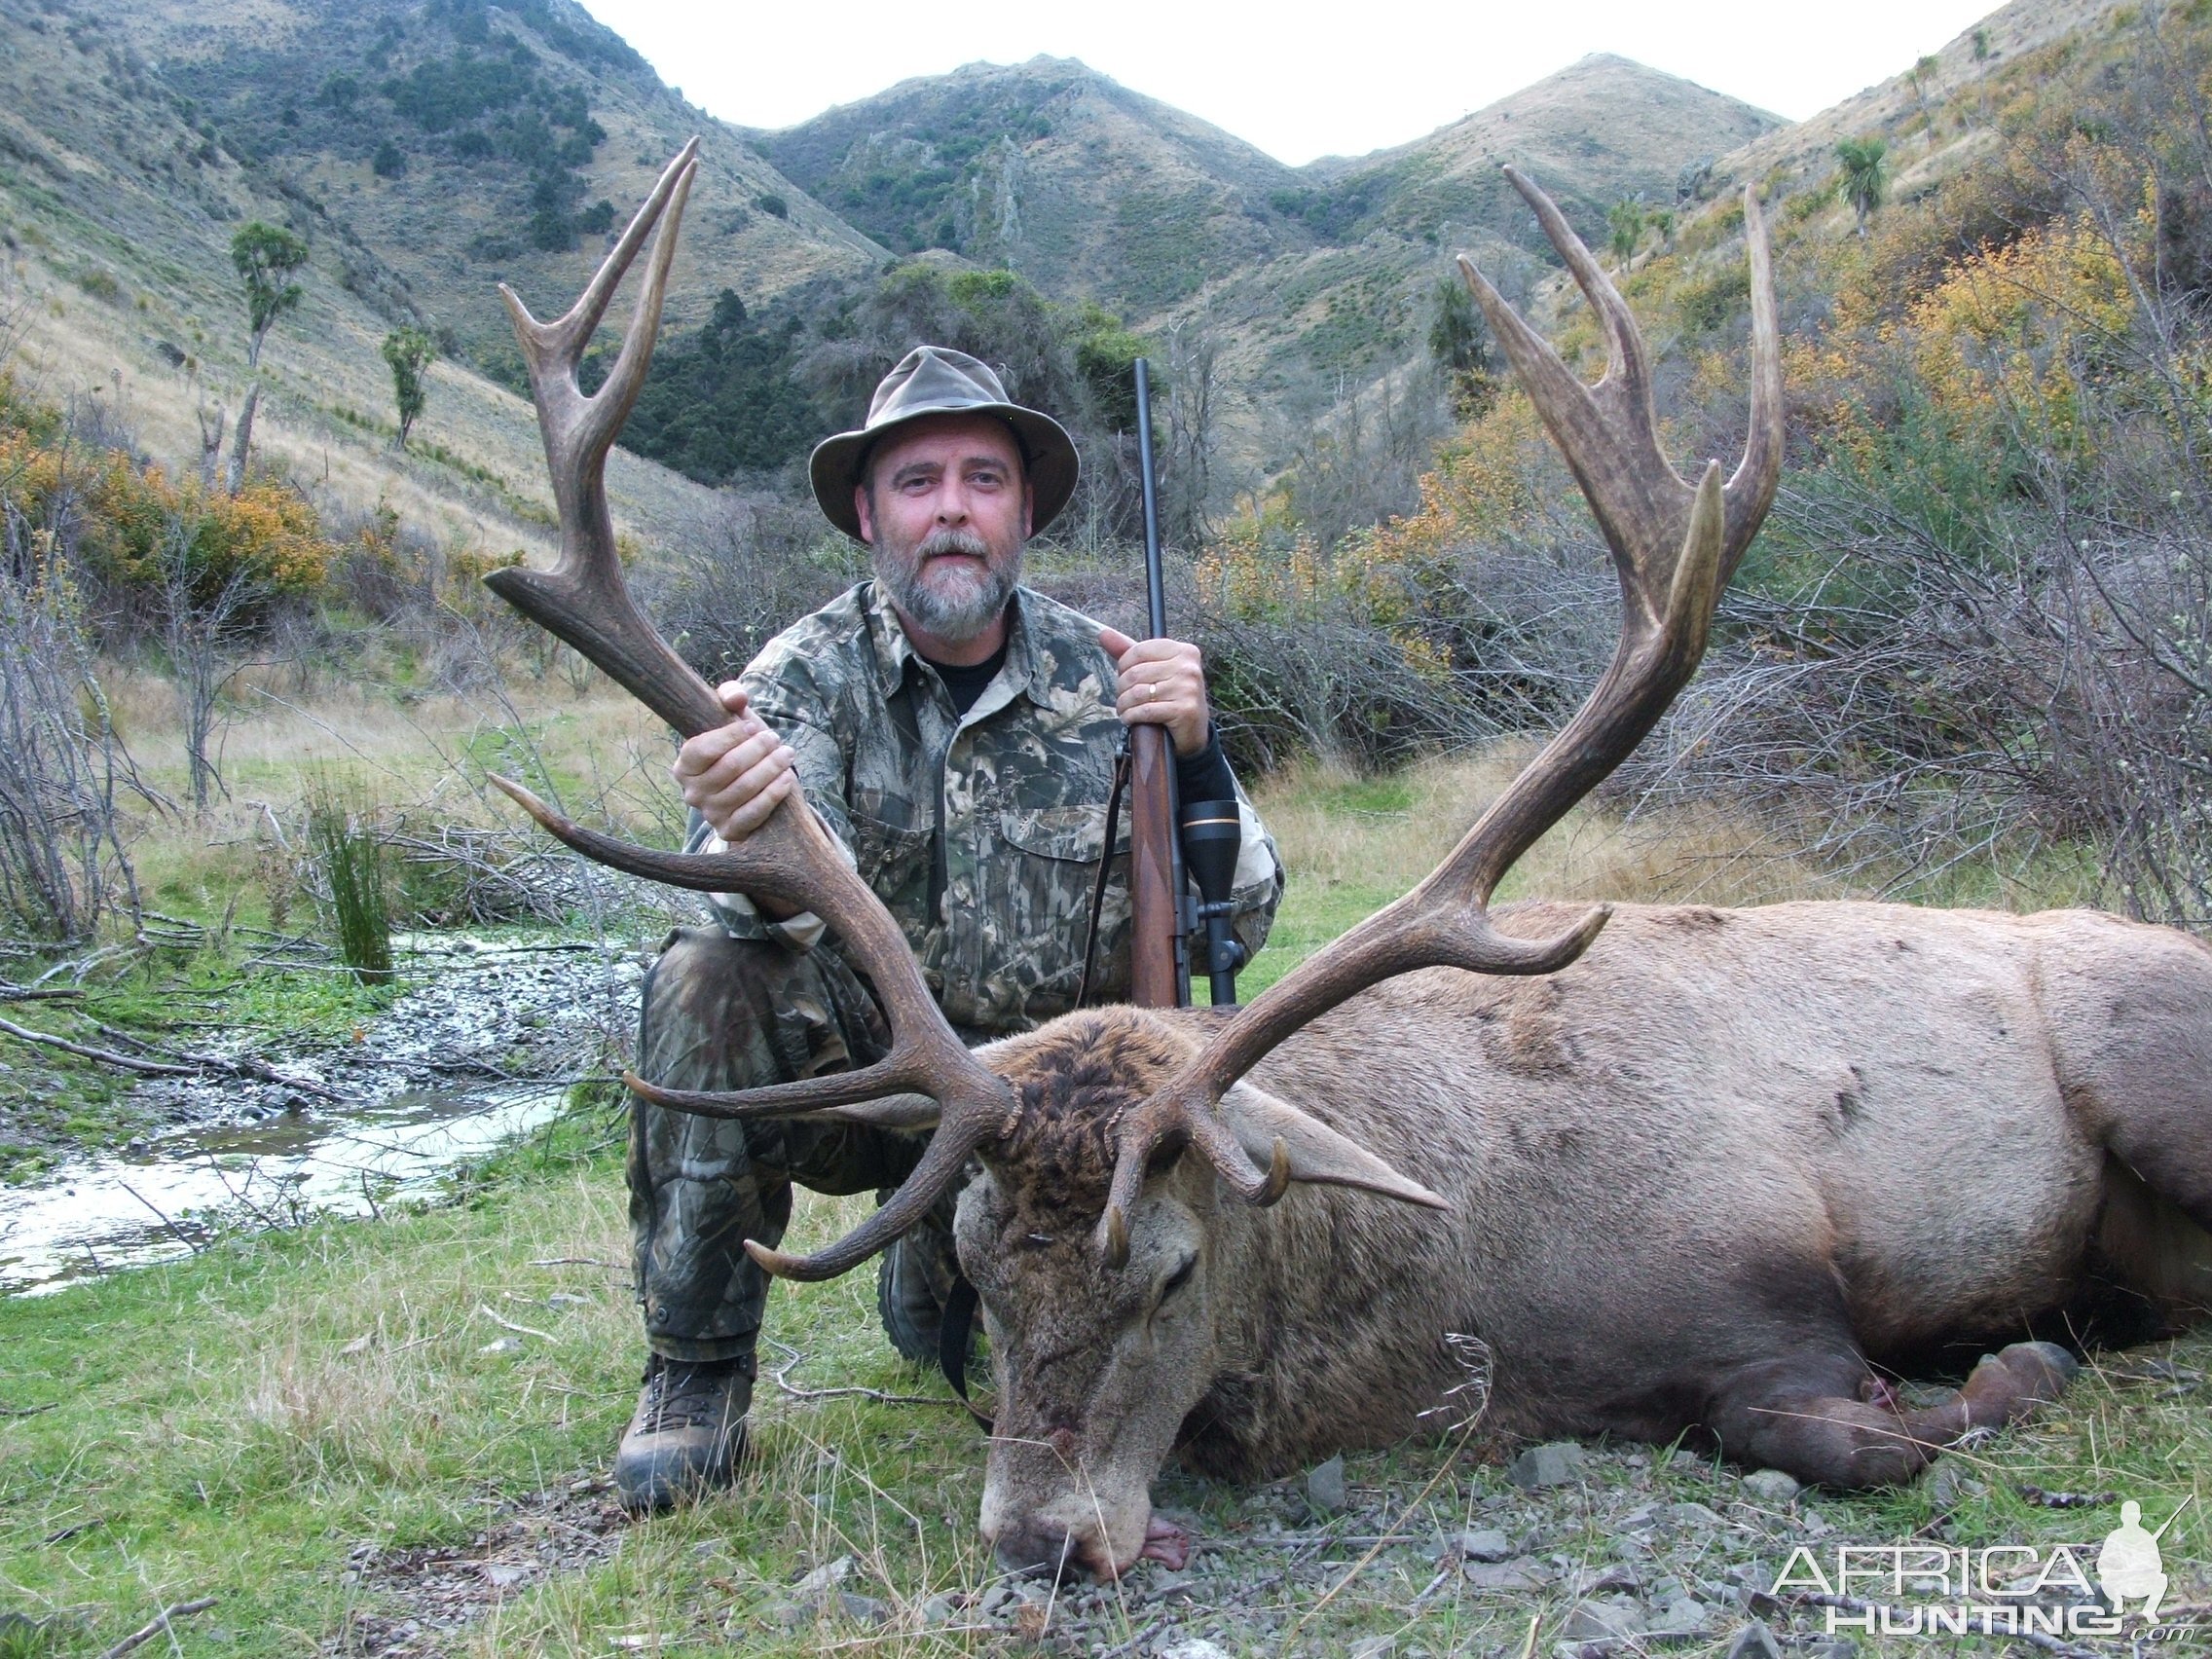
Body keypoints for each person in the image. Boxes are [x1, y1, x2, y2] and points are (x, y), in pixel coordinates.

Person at [615, 346, 1284, 1512]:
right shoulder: (800, 681)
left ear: (1023, 509)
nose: (953, 511)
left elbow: (1253, 912)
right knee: (706, 978)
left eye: (983, 478)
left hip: (1058, 1143)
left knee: (952, 1345)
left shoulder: (1118, 679)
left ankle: (938, 1264)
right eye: (918, 482)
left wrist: (1197, 754)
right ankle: (697, 1370)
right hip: (876, 1090)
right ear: (869, 514)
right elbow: (741, 897)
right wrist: (743, 828)